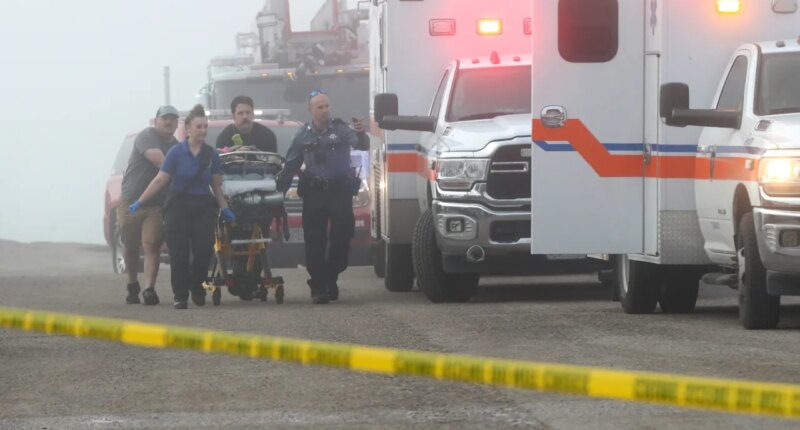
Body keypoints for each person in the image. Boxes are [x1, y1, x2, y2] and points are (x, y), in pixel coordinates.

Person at [130, 105, 236, 309]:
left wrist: (224, 207)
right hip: (178, 205)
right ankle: (180, 295)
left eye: (205, 126)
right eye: (199, 126)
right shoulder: (175, 153)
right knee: (178, 253)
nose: (203, 130)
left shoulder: (210, 154)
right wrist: (140, 201)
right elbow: (160, 180)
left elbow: (215, 185)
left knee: (204, 250)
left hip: (202, 206)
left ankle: (197, 286)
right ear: (188, 127)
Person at [276, 89, 369, 304]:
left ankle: (330, 277)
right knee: (314, 241)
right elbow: (290, 166)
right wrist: (278, 192)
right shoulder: (302, 135)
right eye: (320, 107)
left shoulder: (341, 129)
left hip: (339, 191)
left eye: (327, 106)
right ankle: (318, 286)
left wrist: (361, 132)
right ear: (310, 110)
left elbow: (360, 144)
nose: (325, 110)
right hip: (314, 192)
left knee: (342, 237)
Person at [117, 105, 179, 305]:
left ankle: (149, 289)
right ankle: (132, 283)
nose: (168, 122)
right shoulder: (147, 136)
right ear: (156, 120)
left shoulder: (177, 146)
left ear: (177, 123)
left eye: (172, 119)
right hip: (131, 201)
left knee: (152, 245)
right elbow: (160, 162)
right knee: (131, 247)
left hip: (155, 205)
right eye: (165, 118)